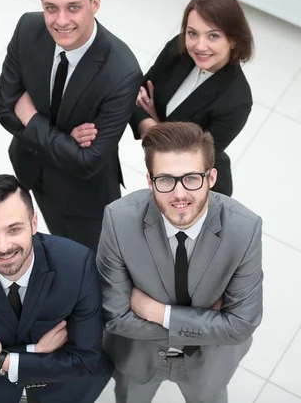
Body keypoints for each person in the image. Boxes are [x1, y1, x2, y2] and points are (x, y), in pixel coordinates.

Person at [97, 122, 263, 403]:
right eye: (165, 179)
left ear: (211, 177)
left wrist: (159, 313)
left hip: (210, 362)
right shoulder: (118, 220)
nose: (179, 194)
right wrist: (210, 325)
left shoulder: (245, 229)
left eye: (191, 178)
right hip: (138, 356)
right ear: (149, 181)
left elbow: (241, 325)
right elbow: (114, 317)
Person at [0, 0, 141, 250]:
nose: (60, 21)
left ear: (95, 3)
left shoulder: (122, 72)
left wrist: (33, 119)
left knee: (89, 259)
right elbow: (3, 106)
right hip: (33, 170)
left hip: (84, 196)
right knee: (55, 240)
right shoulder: (27, 29)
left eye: (73, 7)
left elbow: (88, 162)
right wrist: (64, 140)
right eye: (51, 8)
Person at [0, 174, 113, 403]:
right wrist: (36, 352)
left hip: (62, 392)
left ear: (33, 223)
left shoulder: (77, 264)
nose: (3, 247)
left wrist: (4, 361)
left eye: (13, 229)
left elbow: (85, 359)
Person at [130, 0, 254, 196]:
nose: (199, 46)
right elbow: (135, 94)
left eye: (213, 35)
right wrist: (155, 126)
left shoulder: (237, 100)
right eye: (192, 33)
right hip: (162, 173)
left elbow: (188, 161)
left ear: (233, 39)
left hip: (197, 187)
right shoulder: (177, 50)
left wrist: (154, 128)